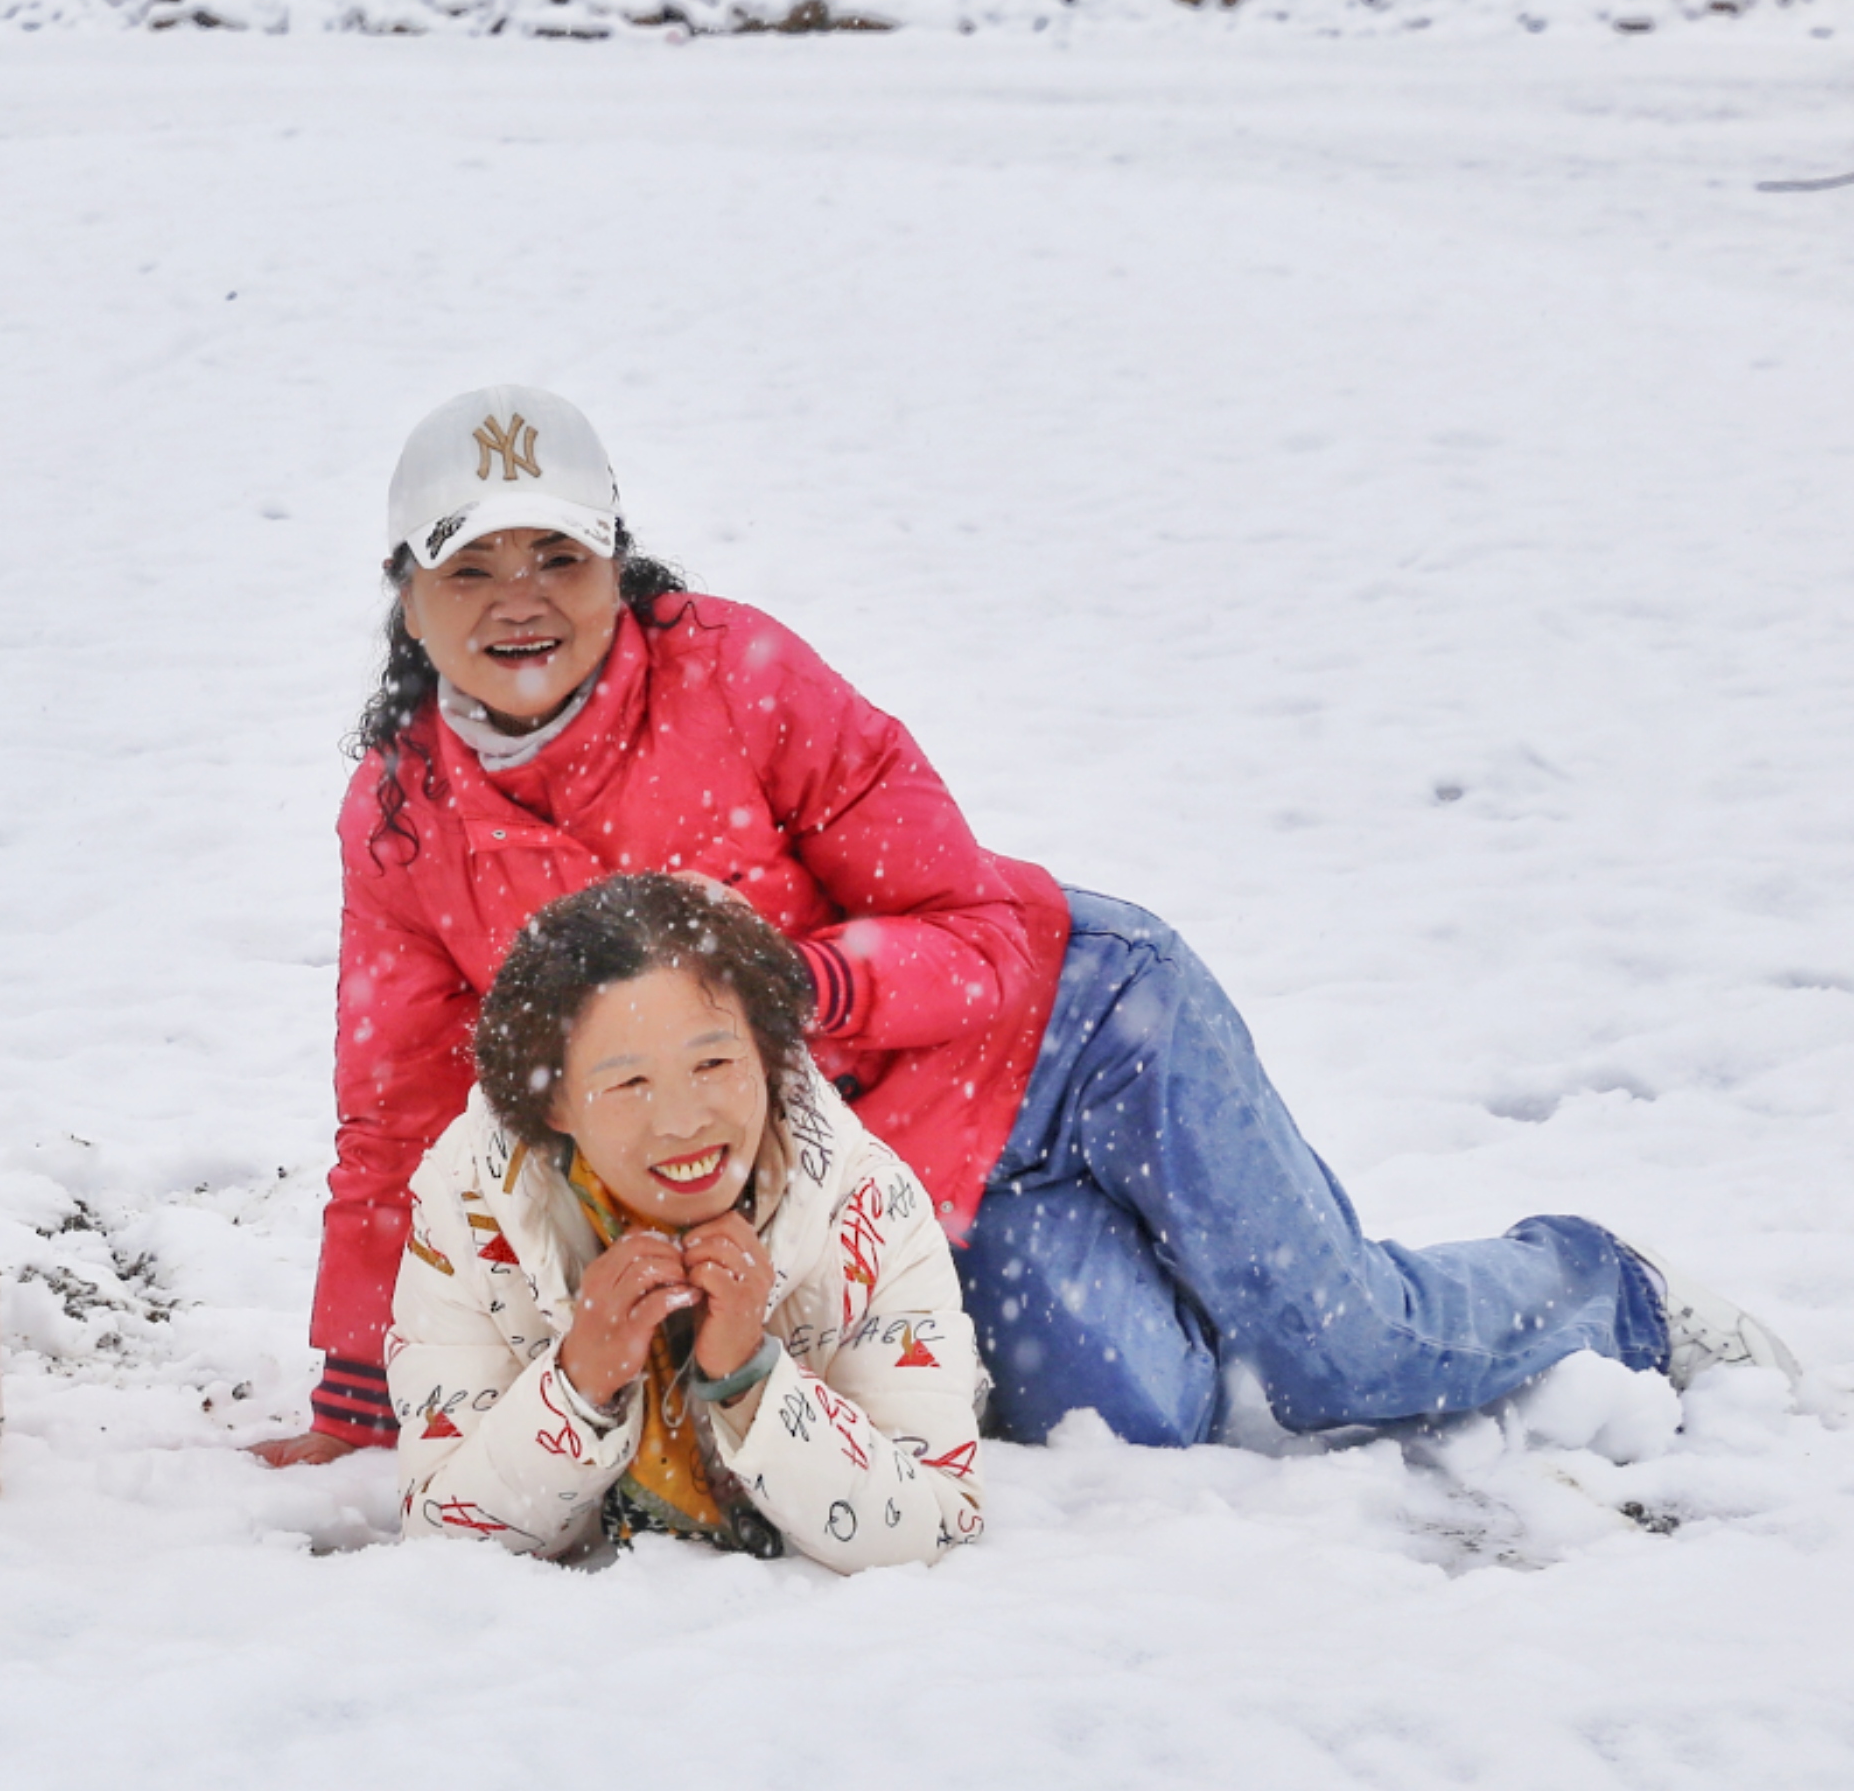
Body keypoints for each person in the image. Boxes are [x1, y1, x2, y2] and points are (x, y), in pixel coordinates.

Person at [283, 380, 1793, 1468]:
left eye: (559, 556)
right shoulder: (401, 820)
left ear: (620, 567)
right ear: (407, 602)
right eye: (470, 565)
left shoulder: (736, 675)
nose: (521, 599)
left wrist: (800, 991)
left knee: (1344, 1352)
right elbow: (396, 1108)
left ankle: (1603, 1284)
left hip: (1083, 1026)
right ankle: (1205, 1269)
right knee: (1134, 1429)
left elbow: (975, 925)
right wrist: (362, 1388)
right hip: (914, 1163)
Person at [392, 871, 985, 1565]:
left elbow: (936, 1528)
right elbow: (444, 1543)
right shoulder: (472, 1207)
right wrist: (580, 1382)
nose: (682, 1122)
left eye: (713, 1062)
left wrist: (748, 1376)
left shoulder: (868, 1205)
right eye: (628, 1082)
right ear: (553, 1102)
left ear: (768, 1055)